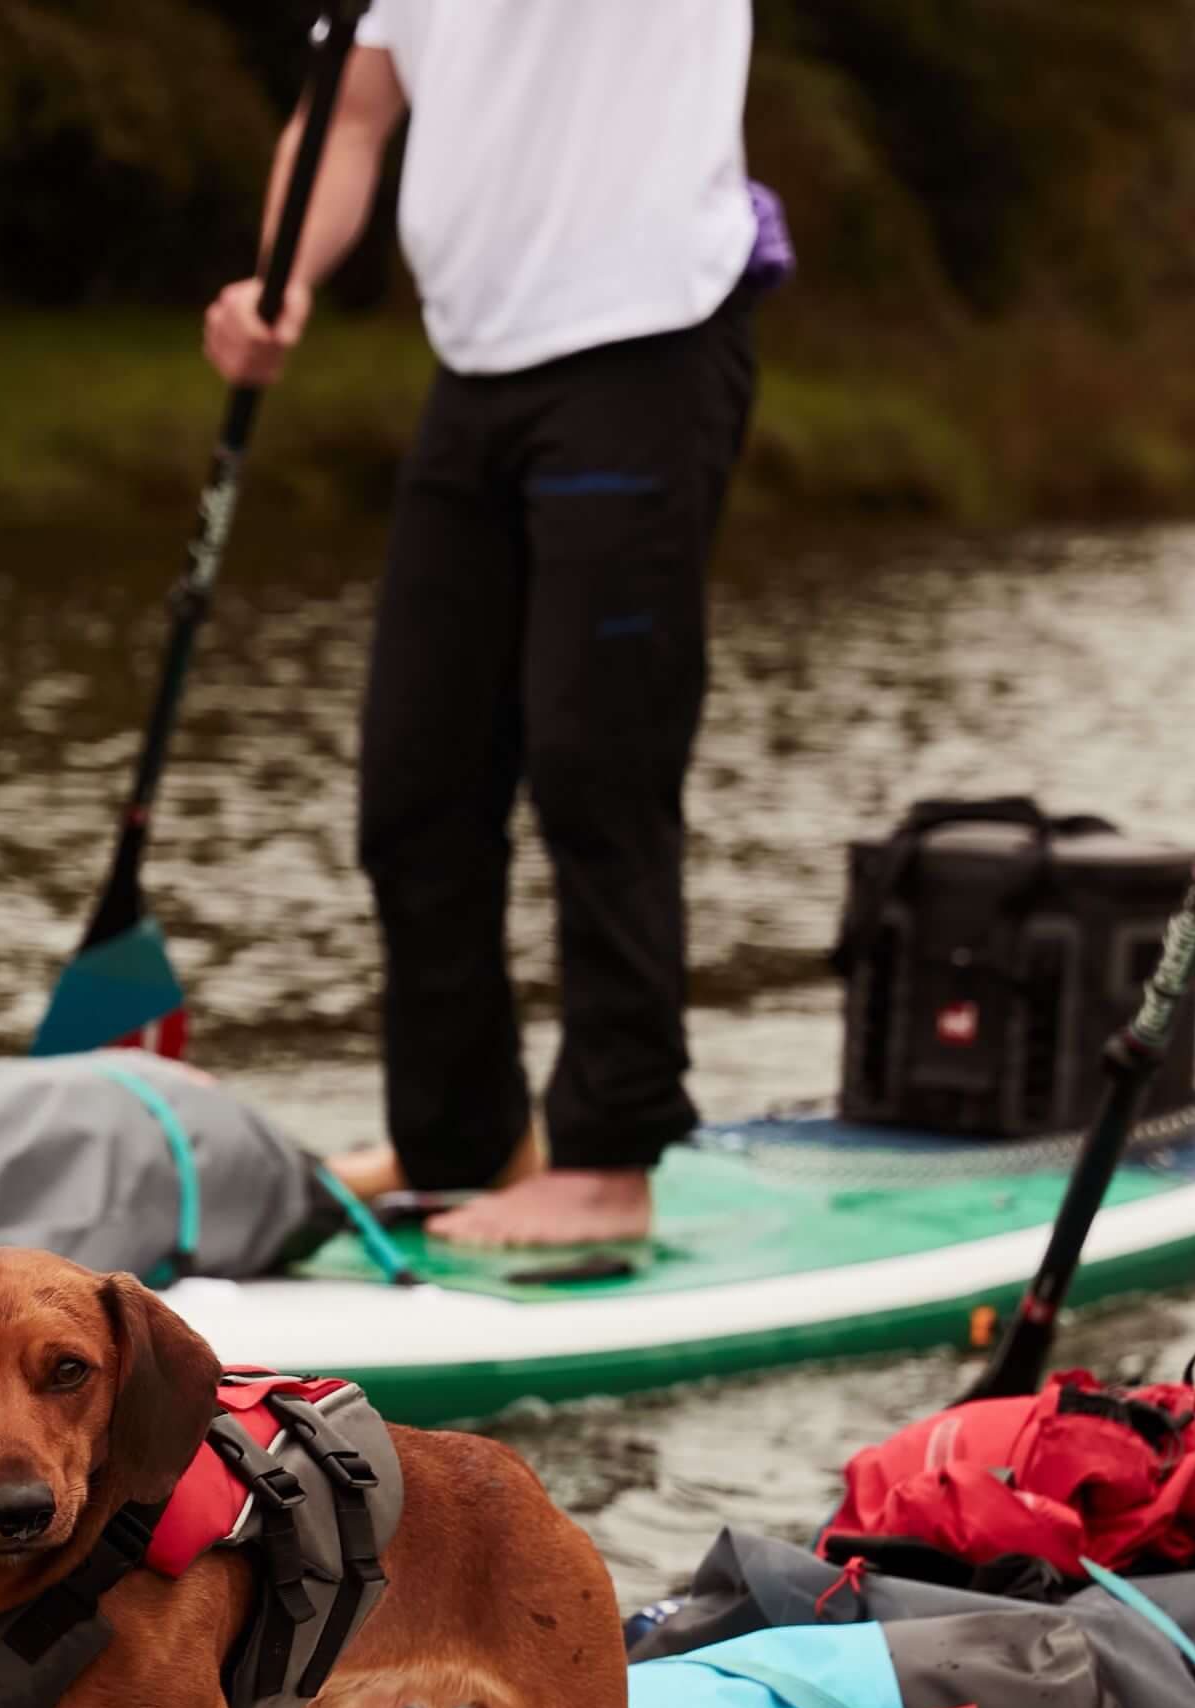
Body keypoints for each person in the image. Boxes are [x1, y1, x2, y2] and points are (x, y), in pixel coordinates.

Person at [203, 1, 769, 1249]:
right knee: (416, 782)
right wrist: (283, 277)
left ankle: (610, 1157)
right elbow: (346, 115)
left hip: (647, 343)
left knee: (596, 765)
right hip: (475, 369)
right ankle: (461, 1136)